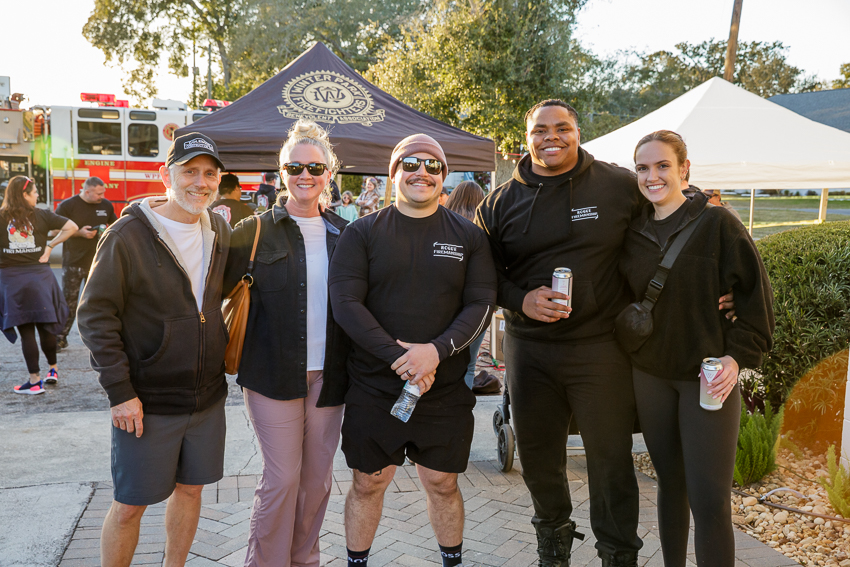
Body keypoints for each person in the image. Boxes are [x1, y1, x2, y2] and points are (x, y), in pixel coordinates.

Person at [475, 99, 735, 567]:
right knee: (538, 459)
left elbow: (678, 212)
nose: (551, 137)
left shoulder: (617, 185)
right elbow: (482, 275)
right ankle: (552, 546)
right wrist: (520, 299)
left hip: (602, 350)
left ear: (578, 133)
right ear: (526, 137)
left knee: (611, 461)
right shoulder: (499, 202)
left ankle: (618, 555)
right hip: (530, 350)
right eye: (540, 130)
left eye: (562, 128)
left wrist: (723, 284)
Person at [329, 134, 496, 567]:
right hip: (374, 386)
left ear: (443, 177)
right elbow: (346, 305)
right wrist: (401, 359)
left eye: (433, 165)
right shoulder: (361, 233)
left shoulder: (469, 237)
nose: (421, 171)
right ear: (393, 173)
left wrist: (435, 353)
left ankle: (452, 561)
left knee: (442, 482)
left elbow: (480, 303)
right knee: (369, 482)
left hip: (441, 389)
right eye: (411, 163)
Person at [77, 132, 230, 567]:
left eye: (209, 173)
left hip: (206, 397)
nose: (200, 182)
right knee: (129, 505)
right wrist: (120, 392)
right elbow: (94, 316)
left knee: (191, 489)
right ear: (166, 175)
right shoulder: (126, 235)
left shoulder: (217, 228)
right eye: (190, 171)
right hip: (145, 403)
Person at [621, 130, 774, 566]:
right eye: (644, 168)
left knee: (710, 501)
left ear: (685, 169)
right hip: (649, 374)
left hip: (707, 378)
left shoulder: (718, 223)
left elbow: (756, 299)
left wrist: (736, 355)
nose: (653, 176)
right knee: (670, 486)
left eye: (663, 165)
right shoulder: (633, 231)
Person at [224, 120, 351, 567]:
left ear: (329, 174)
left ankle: (305, 560)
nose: (305, 175)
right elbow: (213, 292)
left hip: (329, 377)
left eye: (315, 167)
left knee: (316, 482)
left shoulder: (346, 234)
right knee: (281, 479)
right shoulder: (252, 231)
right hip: (270, 373)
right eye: (294, 166)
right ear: (281, 172)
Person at [0, 176, 77, 394]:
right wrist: (50, 246)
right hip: (40, 278)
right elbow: (72, 227)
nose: (37, 196)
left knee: (26, 332)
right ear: (24, 195)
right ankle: (53, 369)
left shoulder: (1, 217)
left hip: (13, 281)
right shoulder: (42, 215)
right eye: (34, 192)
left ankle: (34, 381)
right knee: (46, 326)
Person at [54, 176, 118, 350]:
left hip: (98, 263)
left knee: (101, 302)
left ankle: (103, 339)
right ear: (87, 191)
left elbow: (116, 227)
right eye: (98, 193)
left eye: (103, 192)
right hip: (73, 262)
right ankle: (60, 337)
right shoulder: (68, 206)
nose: (102, 196)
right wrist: (78, 233)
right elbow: (53, 230)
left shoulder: (105, 205)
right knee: (69, 302)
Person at [444, 180, 487, 388]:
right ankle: (464, 407)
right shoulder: (484, 226)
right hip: (478, 307)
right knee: (469, 365)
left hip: (446, 304)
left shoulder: (444, 223)